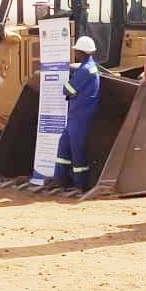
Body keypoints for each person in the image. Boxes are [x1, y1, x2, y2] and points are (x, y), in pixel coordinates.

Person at [52, 36, 101, 193]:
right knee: (64, 145)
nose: (75, 54)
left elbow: (68, 90)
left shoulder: (85, 70)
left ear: (82, 53)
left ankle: (80, 184)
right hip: (77, 115)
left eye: (77, 52)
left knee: (77, 149)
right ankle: (60, 179)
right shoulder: (89, 67)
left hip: (80, 116)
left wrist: (68, 83)